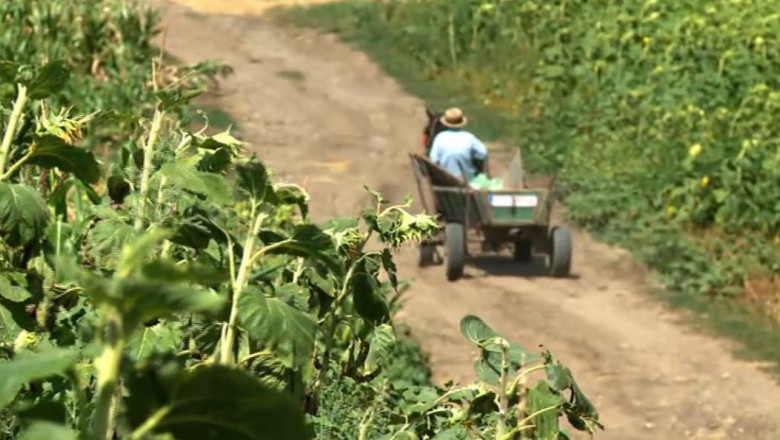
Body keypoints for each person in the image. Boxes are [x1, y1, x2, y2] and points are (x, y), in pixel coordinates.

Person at [428, 107, 489, 181]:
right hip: (469, 178)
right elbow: (483, 153)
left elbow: (433, 159)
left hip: (446, 178)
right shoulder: (469, 137)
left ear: (446, 124)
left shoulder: (440, 137)